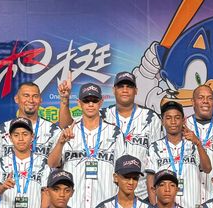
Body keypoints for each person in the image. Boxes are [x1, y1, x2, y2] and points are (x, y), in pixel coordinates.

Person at [59, 71, 162, 201]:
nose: (125, 90)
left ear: (136, 90)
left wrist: (153, 195)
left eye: (129, 86)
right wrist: (64, 100)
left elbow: (158, 157)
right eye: (121, 86)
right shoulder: (101, 113)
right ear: (113, 90)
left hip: (142, 190)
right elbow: (67, 125)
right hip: (112, 190)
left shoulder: (151, 118)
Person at [48, 82, 125, 208]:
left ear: (101, 102)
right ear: (79, 103)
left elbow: (122, 172)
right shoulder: (67, 131)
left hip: (105, 207)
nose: (90, 104)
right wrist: (60, 143)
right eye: (86, 100)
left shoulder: (115, 132)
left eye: (94, 100)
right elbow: (52, 164)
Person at [146, 100, 211, 208]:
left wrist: (198, 143)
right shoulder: (154, 147)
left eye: (177, 118)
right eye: (168, 118)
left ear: (183, 120)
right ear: (162, 121)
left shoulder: (193, 145)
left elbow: (207, 168)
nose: (173, 122)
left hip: (191, 206)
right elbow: (150, 181)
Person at [0, 81, 61, 159]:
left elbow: (57, 165)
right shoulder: (0, 130)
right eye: (26, 95)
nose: (31, 100)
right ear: (16, 99)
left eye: (35, 96)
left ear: (40, 100)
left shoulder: (54, 131)